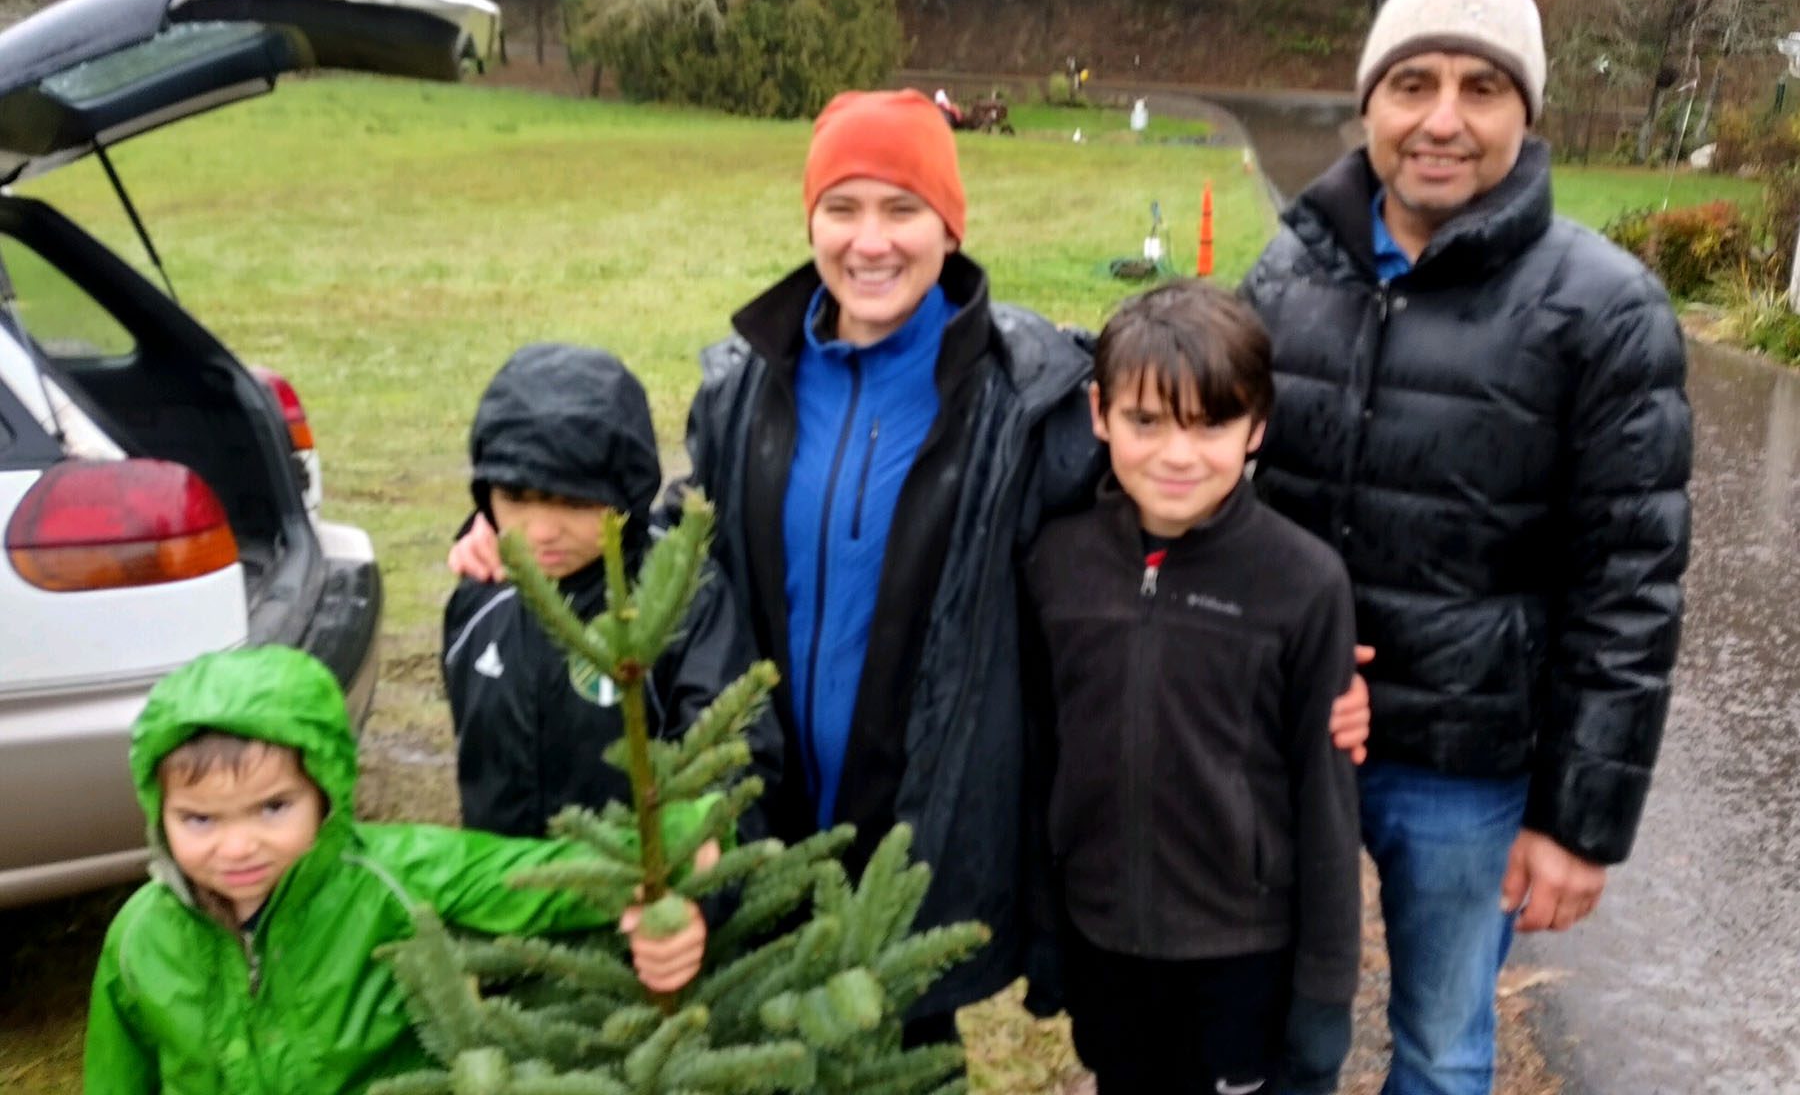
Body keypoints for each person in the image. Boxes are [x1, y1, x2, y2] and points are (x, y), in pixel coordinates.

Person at [450, 88, 1373, 1046]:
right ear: (811, 220)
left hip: (922, 835)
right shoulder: (741, 387)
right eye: (842, 209)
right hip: (770, 814)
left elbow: (1179, 486)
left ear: (949, 225)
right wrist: (504, 526)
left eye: (903, 209)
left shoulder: (1030, 395)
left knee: (903, 1057)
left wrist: (1310, 649)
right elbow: (677, 540)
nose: (871, 241)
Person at [1240, 0, 1692, 1095]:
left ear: (1524, 114)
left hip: (1467, 770)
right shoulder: (1287, 271)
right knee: (1276, 1033)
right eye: (1413, 84)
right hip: (1292, 741)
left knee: (1442, 1053)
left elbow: (1627, 588)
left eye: (1480, 88)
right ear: (1370, 103)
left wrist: (1581, 822)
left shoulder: (1606, 309)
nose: (1443, 120)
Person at [84, 646, 709, 1094]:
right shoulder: (139, 937)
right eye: (200, 821)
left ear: (326, 791)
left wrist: (687, 835)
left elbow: (535, 878)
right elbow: (118, 1074)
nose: (237, 846)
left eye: (273, 807)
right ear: (157, 811)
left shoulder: (392, 877)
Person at [1023, 281, 1361, 1095]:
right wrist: (1043, 927)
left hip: (1240, 954)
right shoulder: (1054, 565)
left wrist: (1326, 985)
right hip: (1104, 940)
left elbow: (1326, 798)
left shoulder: (1303, 581)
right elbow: (1037, 756)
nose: (1177, 455)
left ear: (1258, 426)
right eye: (1146, 421)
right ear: (1099, 413)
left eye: (1210, 423)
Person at [441, 343, 769, 838]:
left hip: (643, 897)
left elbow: (734, 761)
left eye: (573, 503)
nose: (541, 531)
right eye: (515, 498)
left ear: (626, 490)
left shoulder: (680, 596)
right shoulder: (482, 596)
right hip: (507, 901)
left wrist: (691, 876)